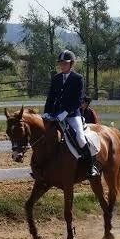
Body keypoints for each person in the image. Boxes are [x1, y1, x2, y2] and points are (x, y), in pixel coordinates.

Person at [42, 50, 99, 178]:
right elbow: (50, 98)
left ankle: (91, 166)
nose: (62, 66)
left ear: (71, 64)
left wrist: (66, 112)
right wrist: (46, 113)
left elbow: (78, 100)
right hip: (55, 114)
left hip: (73, 115)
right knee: (44, 135)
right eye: (61, 63)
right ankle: (42, 166)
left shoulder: (78, 78)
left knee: (80, 138)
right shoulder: (56, 78)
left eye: (65, 63)